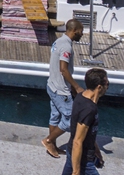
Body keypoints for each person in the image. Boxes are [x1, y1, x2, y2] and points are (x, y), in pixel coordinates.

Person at [44, 20, 85, 158]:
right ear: (74, 30)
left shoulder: (58, 41)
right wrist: (76, 87)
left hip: (52, 85)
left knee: (55, 116)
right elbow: (64, 70)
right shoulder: (67, 46)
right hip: (61, 91)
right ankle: (49, 140)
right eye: (81, 31)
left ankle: (52, 146)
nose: (82, 34)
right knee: (70, 119)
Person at [64, 68, 108, 175]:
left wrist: (96, 150)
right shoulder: (89, 109)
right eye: (107, 84)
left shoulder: (80, 97)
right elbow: (78, 141)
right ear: (99, 87)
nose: (107, 87)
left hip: (73, 153)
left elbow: (87, 133)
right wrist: (76, 171)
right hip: (83, 159)